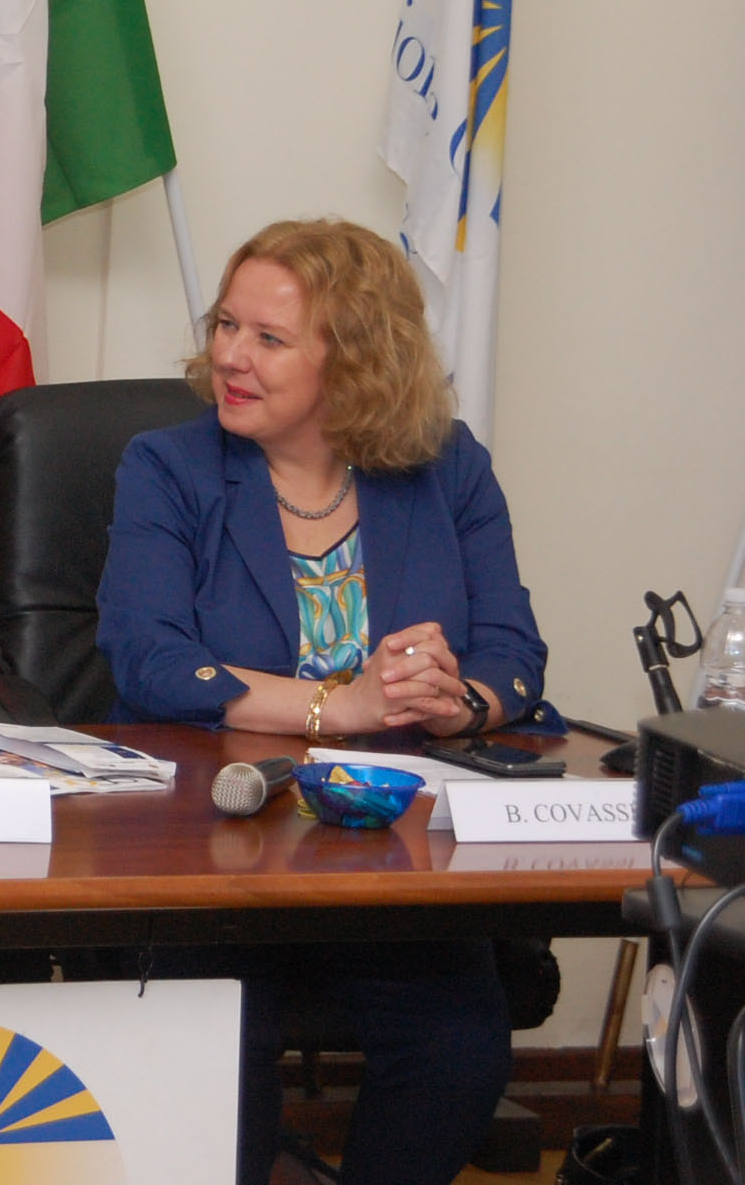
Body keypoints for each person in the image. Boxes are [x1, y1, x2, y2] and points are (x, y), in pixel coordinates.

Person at [97, 217, 548, 1185]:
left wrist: (458, 701)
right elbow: (149, 661)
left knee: (460, 1052)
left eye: (268, 338)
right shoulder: (167, 467)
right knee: (217, 1066)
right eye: (227, 325)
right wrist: (335, 709)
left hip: (391, 862)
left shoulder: (448, 469)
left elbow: (515, 653)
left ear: (354, 361)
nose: (230, 356)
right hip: (211, 854)